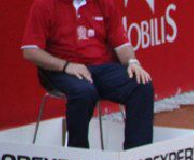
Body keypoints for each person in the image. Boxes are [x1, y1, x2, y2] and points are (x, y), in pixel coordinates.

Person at [21, 0, 155, 149]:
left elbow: (121, 44)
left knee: (141, 84)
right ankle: (79, 155)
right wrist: (66, 66)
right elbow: (30, 52)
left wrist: (132, 62)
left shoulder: (104, 3)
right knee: (83, 92)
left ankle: (136, 155)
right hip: (62, 68)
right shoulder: (44, 5)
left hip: (101, 67)